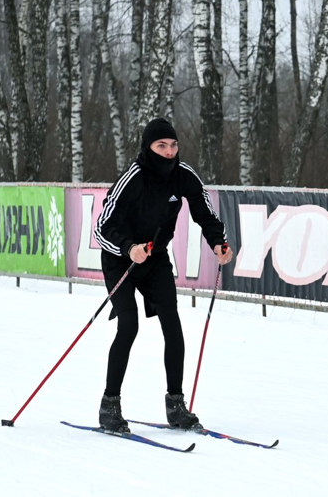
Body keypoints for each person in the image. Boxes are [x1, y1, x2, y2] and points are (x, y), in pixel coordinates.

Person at [92, 117, 234, 433]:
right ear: (148, 147)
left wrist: (218, 243)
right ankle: (109, 406)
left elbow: (205, 213)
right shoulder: (132, 178)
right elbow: (102, 227)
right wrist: (129, 248)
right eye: (161, 146)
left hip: (155, 260)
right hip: (121, 259)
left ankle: (176, 405)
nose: (169, 152)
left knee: (173, 323)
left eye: (173, 145)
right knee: (129, 326)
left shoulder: (183, 176)